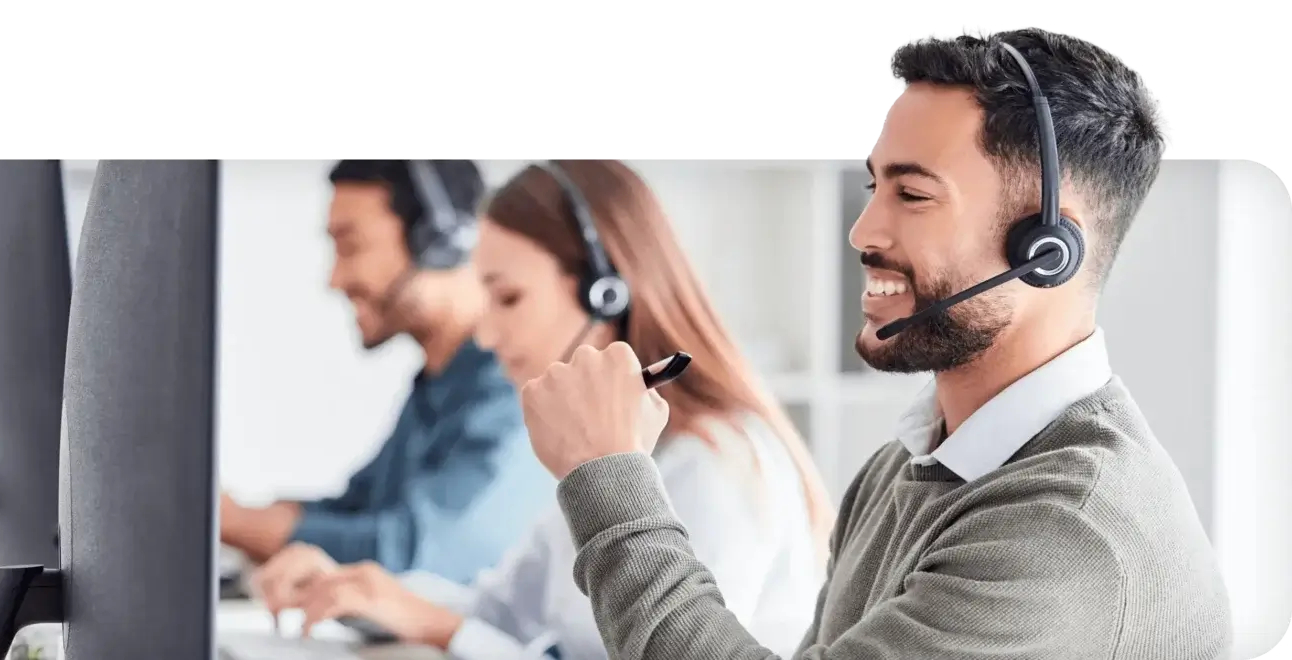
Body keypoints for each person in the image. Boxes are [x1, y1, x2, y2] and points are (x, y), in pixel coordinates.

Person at [517, 28, 1234, 660]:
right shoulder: (905, 467)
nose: (862, 232)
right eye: (873, 186)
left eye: (912, 195)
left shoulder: (1068, 529)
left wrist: (608, 475)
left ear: (1049, 247)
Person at [253, 158, 835, 659]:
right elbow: (502, 612)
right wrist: (366, 592)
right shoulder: (600, 450)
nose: (486, 336)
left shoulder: (714, 464)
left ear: (605, 292)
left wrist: (441, 626)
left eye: (508, 298)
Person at [220, 155, 554, 586]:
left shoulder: (510, 386)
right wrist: (234, 513)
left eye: (351, 246)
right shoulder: (441, 382)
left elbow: (411, 552)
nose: (335, 279)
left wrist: (234, 523)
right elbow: (359, 507)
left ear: (438, 240)